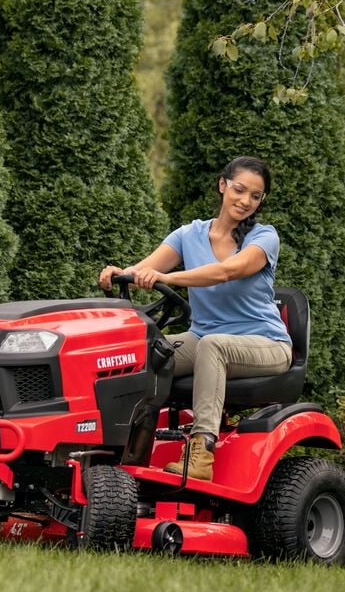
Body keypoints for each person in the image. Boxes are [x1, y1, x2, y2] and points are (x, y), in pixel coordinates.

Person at [99, 156, 290, 481]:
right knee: (144, 350)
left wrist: (169, 278)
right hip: (204, 338)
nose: (245, 201)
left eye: (255, 196)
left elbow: (228, 271)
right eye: (239, 190)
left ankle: (201, 453)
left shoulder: (264, 237)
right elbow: (145, 267)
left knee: (212, 347)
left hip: (266, 344)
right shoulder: (190, 234)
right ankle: (119, 446)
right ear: (222, 185)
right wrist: (120, 273)